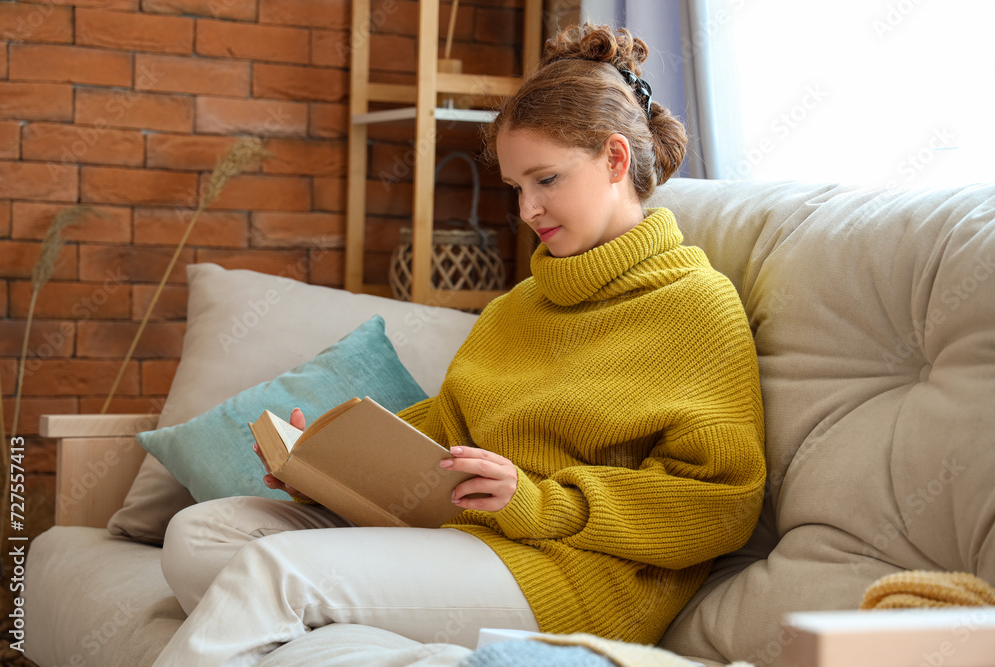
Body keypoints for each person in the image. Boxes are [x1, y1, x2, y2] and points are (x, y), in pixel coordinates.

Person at [152, 23, 766, 666]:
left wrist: (541, 502)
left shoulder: (696, 306)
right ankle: (345, 638)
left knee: (272, 570)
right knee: (199, 534)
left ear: (615, 159)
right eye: (516, 188)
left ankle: (320, 622)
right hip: (459, 535)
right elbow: (446, 435)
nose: (528, 209)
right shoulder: (517, 307)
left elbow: (720, 505)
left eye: (546, 179)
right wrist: (320, 464)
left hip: (570, 575)